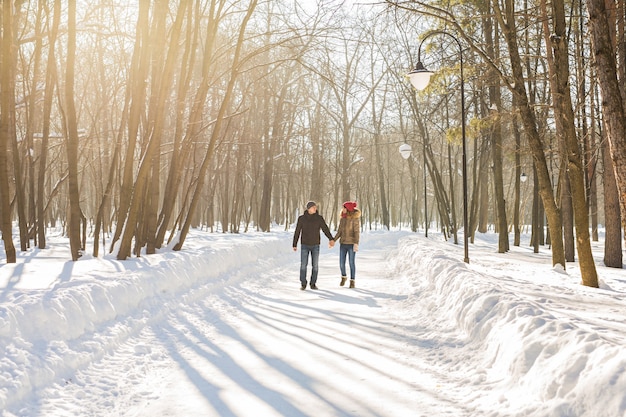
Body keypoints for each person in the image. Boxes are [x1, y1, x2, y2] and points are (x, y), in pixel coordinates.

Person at [293, 201, 335, 290]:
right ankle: (303, 283)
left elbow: (325, 229)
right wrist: (294, 243)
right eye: (313, 207)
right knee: (303, 265)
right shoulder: (302, 218)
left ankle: (313, 283)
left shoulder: (319, 218)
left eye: (316, 207)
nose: (315, 209)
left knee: (315, 265)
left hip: (315, 244)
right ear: (309, 208)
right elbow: (297, 231)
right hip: (305, 244)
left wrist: (331, 238)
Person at [333, 201, 361, 288]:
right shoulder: (342, 219)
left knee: (351, 262)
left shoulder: (355, 219)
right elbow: (339, 232)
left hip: (351, 244)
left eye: (344, 208)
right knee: (341, 263)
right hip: (343, 244)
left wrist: (356, 243)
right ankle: (343, 276)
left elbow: (357, 232)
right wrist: (333, 240)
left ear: (348, 209)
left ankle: (352, 280)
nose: (343, 209)